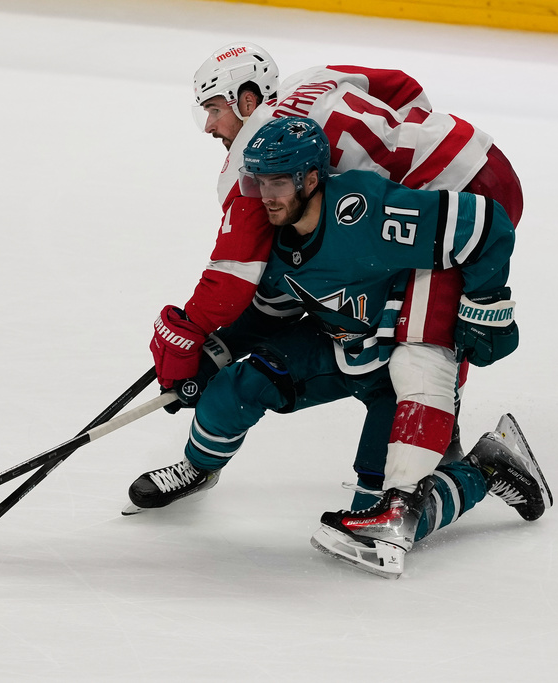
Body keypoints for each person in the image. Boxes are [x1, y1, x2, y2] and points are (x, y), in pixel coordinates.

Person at [134, 117, 551, 578]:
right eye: (258, 182)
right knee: (232, 391)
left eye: (278, 182)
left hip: (396, 360)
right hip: (336, 346)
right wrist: (212, 354)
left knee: (392, 517)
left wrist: (485, 302)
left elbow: (486, 226)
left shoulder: (364, 211)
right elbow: (271, 314)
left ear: (311, 179)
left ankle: (487, 470)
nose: (265, 196)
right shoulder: (273, 237)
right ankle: (198, 468)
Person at [147, 43, 525, 513]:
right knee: (409, 329)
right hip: (478, 160)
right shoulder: (311, 78)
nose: (210, 126)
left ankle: (441, 455)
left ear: (247, 99)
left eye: (215, 110)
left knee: (423, 353)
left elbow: (232, 278)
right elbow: (403, 88)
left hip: (450, 212)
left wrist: (189, 330)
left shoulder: (258, 165)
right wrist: (402, 153)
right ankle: (434, 438)